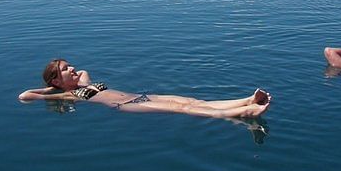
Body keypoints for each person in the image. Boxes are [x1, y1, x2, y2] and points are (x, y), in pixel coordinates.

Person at [19, 59, 271, 119]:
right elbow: (25, 96)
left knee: (192, 100)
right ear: (55, 82)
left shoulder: (83, 84)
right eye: (65, 69)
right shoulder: (68, 94)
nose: (73, 68)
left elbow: (83, 73)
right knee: (184, 109)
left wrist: (70, 75)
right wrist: (50, 90)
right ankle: (245, 113)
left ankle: (246, 99)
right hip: (128, 105)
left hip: (142, 95)